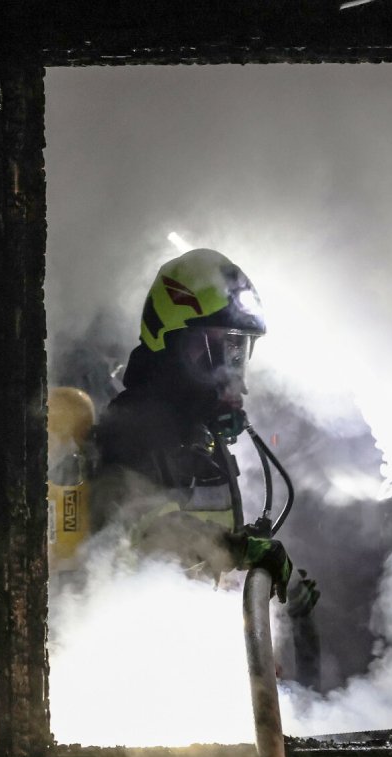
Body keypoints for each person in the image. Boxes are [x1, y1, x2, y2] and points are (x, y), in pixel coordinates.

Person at [89, 248, 318, 614]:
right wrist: (238, 549)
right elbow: (139, 532)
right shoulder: (134, 425)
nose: (228, 371)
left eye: (236, 351)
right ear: (169, 343)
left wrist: (279, 597)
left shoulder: (197, 435)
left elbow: (204, 568)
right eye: (211, 350)